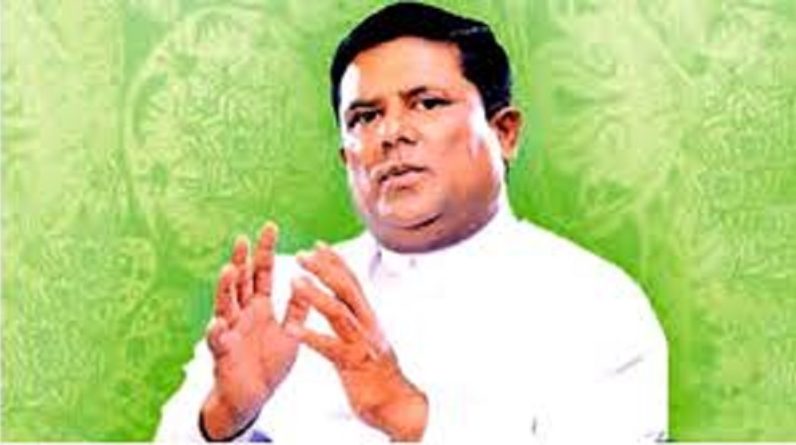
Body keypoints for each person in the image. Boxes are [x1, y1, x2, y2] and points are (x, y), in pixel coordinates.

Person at [156, 2, 668, 442]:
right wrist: (225, 417)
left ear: (504, 132)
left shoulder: (596, 305)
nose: (391, 134)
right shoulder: (288, 301)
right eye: (364, 117)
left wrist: (407, 414)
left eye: (427, 103)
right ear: (347, 158)